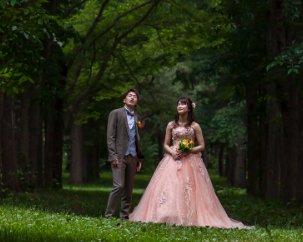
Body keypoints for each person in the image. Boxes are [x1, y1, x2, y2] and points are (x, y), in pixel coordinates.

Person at [129, 98, 250, 229]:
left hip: (190, 159)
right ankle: (166, 214)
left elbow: (202, 145)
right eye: (178, 104)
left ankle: (189, 216)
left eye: (183, 104)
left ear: (189, 108)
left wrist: (189, 150)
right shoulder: (171, 125)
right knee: (170, 185)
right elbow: (165, 144)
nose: (180, 106)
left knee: (188, 187)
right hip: (173, 158)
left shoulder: (195, 126)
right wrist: (173, 152)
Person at [104, 89, 144, 220]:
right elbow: (110, 136)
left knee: (129, 188)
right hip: (119, 156)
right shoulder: (115, 113)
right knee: (119, 185)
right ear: (124, 99)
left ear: (137, 101)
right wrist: (113, 155)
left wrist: (138, 158)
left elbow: (136, 138)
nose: (132, 97)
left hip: (132, 156)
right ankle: (108, 215)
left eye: (135, 96)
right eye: (129, 95)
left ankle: (124, 215)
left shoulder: (137, 117)